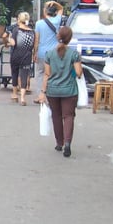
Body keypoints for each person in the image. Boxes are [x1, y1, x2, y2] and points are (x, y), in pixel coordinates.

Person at [37, 26, 82, 158]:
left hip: (53, 90)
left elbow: (46, 74)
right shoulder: (74, 54)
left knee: (56, 116)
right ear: (70, 39)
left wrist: (42, 92)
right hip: (69, 90)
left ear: (58, 37)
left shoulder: (49, 54)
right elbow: (79, 73)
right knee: (68, 116)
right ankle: (67, 143)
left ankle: (59, 143)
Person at [33, 0, 64, 103]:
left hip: (42, 53)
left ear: (45, 12)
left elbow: (37, 39)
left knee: (40, 73)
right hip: (54, 53)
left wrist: (35, 53)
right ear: (54, 12)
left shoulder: (39, 23)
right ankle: (51, 96)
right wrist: (54, 2)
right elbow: (61, 9)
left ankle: (40, 96)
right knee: (52, 74)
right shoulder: (57, 21)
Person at [7, 12, 35, 106]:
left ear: (19, 19)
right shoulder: (32, 32)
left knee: (14, 74)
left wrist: (9, 39)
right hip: (27, 57)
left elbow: (13, 43)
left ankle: (14, 94)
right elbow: (33, 46)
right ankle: (23, 97)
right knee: (24, 76)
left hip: (16, 56)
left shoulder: (16, 30)